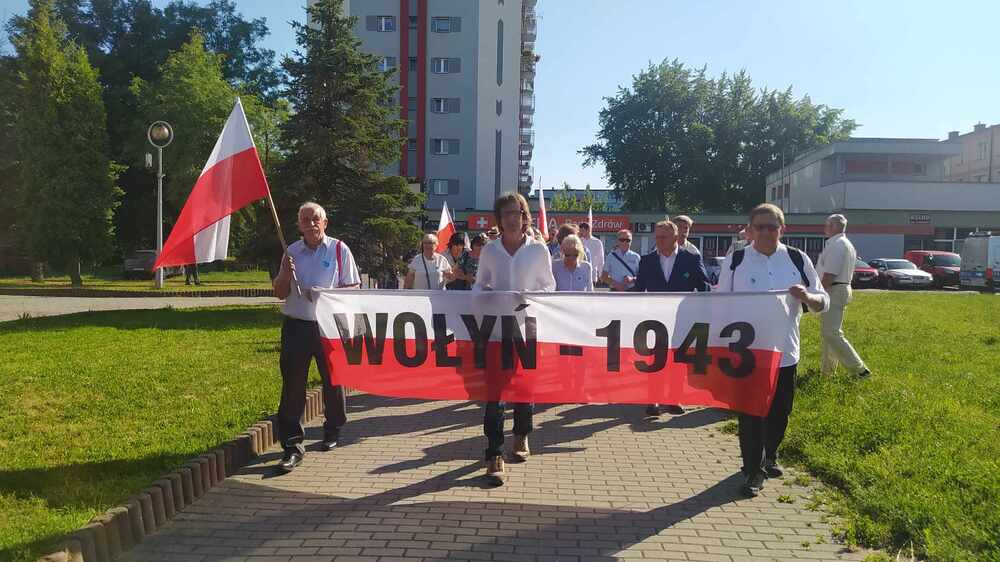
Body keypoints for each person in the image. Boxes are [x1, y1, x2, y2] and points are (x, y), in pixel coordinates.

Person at [717, 203, 828, 497]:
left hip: (785, 351)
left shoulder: (796, 258)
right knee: (750, 413)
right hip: (747, 352)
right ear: (750, 230)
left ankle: (771, 454)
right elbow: (719, 302)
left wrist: (807, 297)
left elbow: (822, 300)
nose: (766, 232)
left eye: (772, 226)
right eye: (760, 227)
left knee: (780, 412)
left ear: (783, 228)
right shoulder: (736, 259)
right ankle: (752, 470)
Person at [473, 192, 556, 485]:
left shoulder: (538, 251)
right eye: (505, 213)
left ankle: (521, 435)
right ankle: (494, 453)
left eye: (516, 212)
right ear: (500, 218)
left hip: (528, 329)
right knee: (494, 395)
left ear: (524, 216)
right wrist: (486, 295)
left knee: (524, 389)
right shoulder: (490, 251)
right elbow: (478, 285)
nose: (511, 218)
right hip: (496, 332)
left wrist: (531, 297)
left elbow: (550, 288)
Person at [272, 202, 361, 473]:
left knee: (333, 382)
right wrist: (286, 273)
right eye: (305, 220)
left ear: (325, 223)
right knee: (293, 387)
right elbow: (279, 292)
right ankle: (292, 446)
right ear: (298, 225)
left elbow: (354, 287)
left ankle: (333, 429)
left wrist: (325, 294)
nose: (310, 224)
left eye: (315, 220)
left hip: (328, 327)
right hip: (297, 326)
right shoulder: (291, 252)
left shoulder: (338, 249)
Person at [632, 220, 711, 417]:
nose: (658, 241)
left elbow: (704, 287)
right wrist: (616, 296)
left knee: (677, 360)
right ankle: (653, 400)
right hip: (655, 320)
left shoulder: (691, 259)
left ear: (676, 238)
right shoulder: (647, 260)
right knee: (655, 360)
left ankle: (674, 399)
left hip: (681, 319)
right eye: (656, 237)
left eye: (663, 237)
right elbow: (639, 289)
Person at [816, 214, 871, 378]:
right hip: (839, 288)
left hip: (834, 289)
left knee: (831, 333)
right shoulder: (843, 243)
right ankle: (828, 371)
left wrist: (819, 292)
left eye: (827, 225)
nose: (824, 228)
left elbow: (830, 274)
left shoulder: (838, 245)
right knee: (830, 332)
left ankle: (859, 369)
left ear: (833, 227)